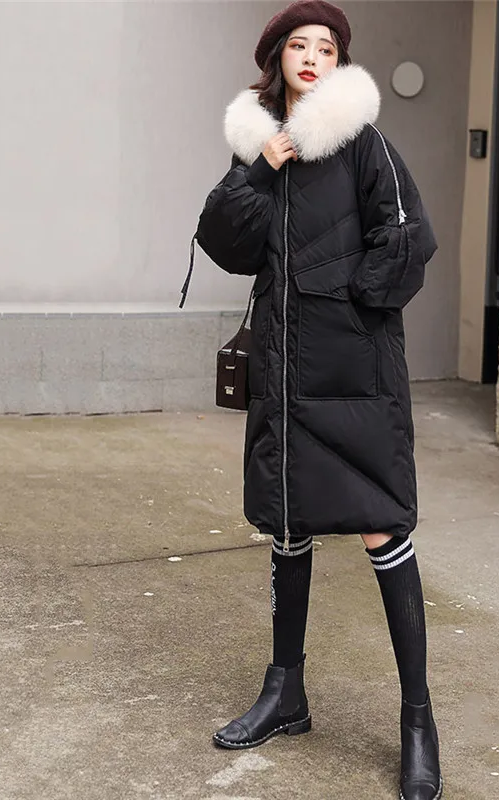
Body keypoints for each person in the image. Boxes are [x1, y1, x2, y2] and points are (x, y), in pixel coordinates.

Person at [195, 2, 441, 797]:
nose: (310, 56)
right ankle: (286, 693)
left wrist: (345, 303)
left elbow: (408, 240)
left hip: (354, 374)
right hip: (283, 371)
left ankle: (417, 720)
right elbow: (225, 241)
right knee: (289, 524)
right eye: (297, 45)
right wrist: (260, 167)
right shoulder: (261, 147)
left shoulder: (364, 143)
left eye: (324, 47)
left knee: (380, 526)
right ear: (277, 59)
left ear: (339, 62)